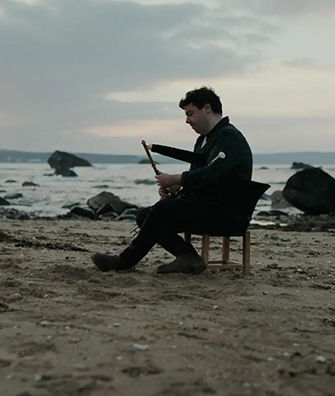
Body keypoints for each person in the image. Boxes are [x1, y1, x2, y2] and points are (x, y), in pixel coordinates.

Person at [91, 86, 254, 274]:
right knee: (145, 215)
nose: (187, 120)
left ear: (207, 108)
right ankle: (188, 256)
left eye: (190, 114)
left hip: (229, 214)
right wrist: (176, 187)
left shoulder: (229, 136)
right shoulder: (204, 140)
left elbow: (213, 175)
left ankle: (124, 261)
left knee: (161, 210)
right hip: (208, 207)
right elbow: (200, 179)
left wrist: (176, 178)